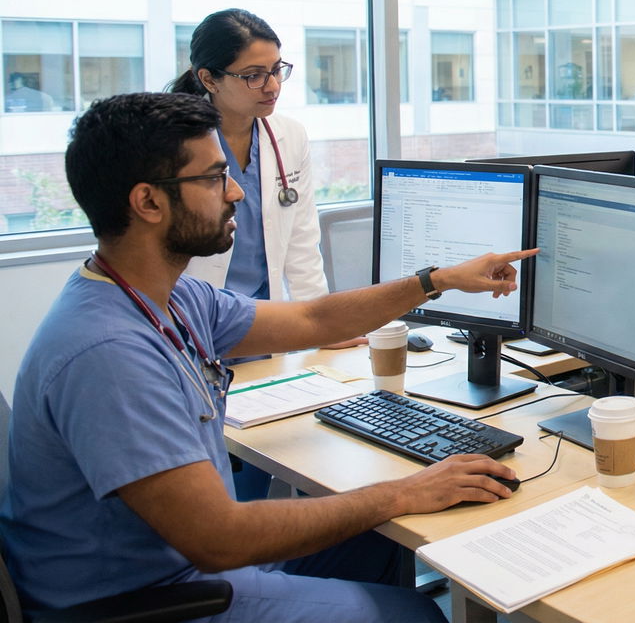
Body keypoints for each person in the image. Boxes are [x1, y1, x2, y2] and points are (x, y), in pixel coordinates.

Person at [0, 92, 534, 620]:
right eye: (213, 177)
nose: (236, 191)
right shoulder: (109, 353)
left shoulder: (165, 294)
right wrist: (402, 493)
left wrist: (434, 280)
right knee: (412, 614)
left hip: (186, 563)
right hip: (145, 597)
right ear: (149, 202)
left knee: (378, 542)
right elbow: (219, 540)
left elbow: (312, 321)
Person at [170, 10, 334, 316]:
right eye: (254, 76)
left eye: (276, 70)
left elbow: (302, 245)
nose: (272, 86)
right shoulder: (173, 142)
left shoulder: (290, 136)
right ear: (208, 79)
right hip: (193, 319)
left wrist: (321, 325)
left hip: (266, 321)